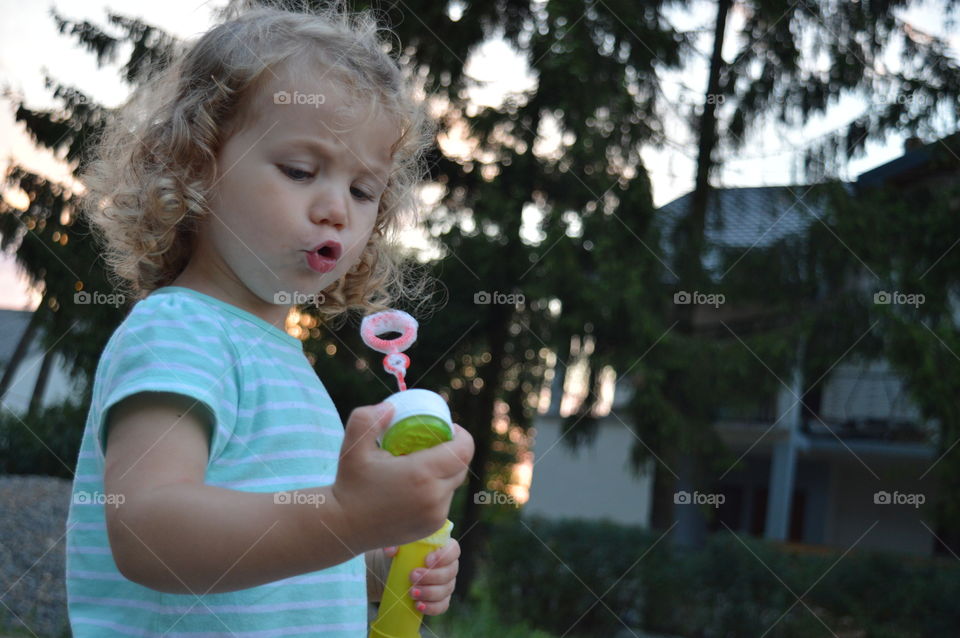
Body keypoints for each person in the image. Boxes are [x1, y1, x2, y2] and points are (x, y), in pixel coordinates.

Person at [65, 2, 474, 636]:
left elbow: (280, 544)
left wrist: (375, 556)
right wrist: (344, 518)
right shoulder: (178, 333)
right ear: (197, 167)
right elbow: (146, 531)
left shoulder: (282, 360)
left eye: (365, 191)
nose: (337, 208)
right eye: (300, 171)